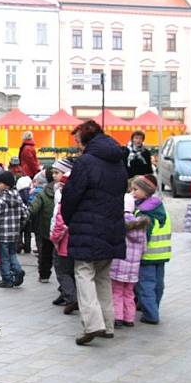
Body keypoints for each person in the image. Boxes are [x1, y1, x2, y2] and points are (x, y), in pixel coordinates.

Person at [61, 120, 128, 346]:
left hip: (87, 224)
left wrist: (69, 219)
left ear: (85, 139)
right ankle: (108, 324)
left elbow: (71, 195)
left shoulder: (86, 162)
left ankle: (92, 324)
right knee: (102, 275)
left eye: (78, 140)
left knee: (83, 271)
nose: (77, 145)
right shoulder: (117, 161)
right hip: (112, 225)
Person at [132, 175, 172, 324]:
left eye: (136, 189)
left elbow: (144, 236)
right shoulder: (160, 207)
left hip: (148, 255)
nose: (133, 192)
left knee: (146, 285)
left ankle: (151, 314)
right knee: (158, 284)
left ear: (146, 190)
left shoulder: (144, 212)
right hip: (162, 254)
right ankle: (154, 307)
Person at [110, 193, 148, 328]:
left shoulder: (118, 222)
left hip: (118, 265)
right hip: (133, 267)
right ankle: (129, 318)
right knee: (129, 292)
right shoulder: (140, 226)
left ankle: (118, 317)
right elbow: (144, 248)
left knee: (117, 292)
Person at [0, 171, 29, 288]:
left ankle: (7, 279)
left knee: (4, 257)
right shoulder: (18, 198)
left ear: (6, 185)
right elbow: (25, 214)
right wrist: (19, 225)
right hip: (14, 233)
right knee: (12, 254)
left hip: (1, 233)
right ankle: (18, 270)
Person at [50, 159, 77, 310]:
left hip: (63, 244)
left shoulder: (64, 202)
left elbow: (60, 223)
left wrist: (54, 238)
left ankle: (71, 297)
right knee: (72, 271)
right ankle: (68, 294)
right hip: (76, 243)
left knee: (62, 271)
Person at [30, 167, 55, 283]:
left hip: (46, 229)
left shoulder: (43, 193)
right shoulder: (68, 189)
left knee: (45, 252)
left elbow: (33, 209)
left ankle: (44, 275)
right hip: (63, 229)